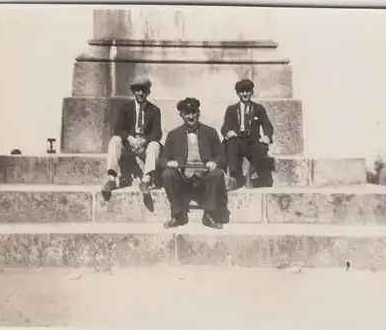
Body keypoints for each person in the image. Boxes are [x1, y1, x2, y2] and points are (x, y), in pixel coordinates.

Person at [159, 97, 228, 229]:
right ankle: (178, 214)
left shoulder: (210, 132)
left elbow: (222, 156)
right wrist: (170, 163)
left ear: (198, 113)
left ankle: (209, 215)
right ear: (181, 115)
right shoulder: (173, 134)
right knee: (167, 174)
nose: (191, 116)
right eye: (187, 113)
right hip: (183, 179)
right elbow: (162, 159)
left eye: (194, 112)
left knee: (217, 173)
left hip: (204, 178)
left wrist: (214, 162)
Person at [102, 77, 162, 197]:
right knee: (115, 140)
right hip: (128, 146)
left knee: (155, 145)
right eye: (137, 90)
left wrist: (144, 141)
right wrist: (130, 138)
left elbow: (157, 133)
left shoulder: (154, 110)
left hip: (144, 148)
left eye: (143, 90)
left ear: (148, 92)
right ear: (133, 92)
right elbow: (118, 128)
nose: (140, 93)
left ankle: (146, 180)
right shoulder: (126, 108)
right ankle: (112, 178)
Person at [221, 79, 274, 191]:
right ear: (237, 93)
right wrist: (228, 132)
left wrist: (267, 136)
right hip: (237, 141)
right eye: (242, 91)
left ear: (252, 92)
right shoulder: (231, 109)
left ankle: (249, 174)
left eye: (247, 91)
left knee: (262, 146)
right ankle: (234, 177)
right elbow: (224, 127)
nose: (245, 94)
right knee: (230, 143)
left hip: (252, 142)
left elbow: (268, 126)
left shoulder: (259, 108)